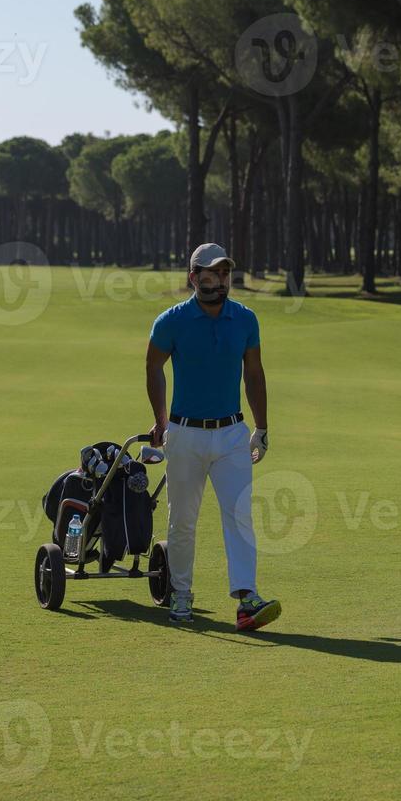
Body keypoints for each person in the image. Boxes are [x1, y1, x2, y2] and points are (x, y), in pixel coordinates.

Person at [146, 242, 281, 630]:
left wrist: (262, 427)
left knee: (239, 515)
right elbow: (154, 367)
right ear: (193, 276)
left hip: (232, 433)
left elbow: (254, 374)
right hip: (185, 433)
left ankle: (246, 599)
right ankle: (182, 596)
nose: (219, 279)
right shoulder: (170, 321)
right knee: (183, 521)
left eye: (224, 272)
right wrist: (161, 420)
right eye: (210, 272)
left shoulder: (245, 319)